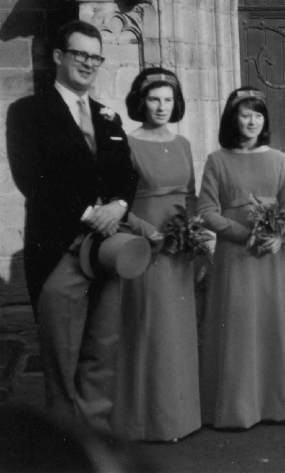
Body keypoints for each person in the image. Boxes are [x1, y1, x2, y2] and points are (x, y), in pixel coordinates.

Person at [5, 20, 138, 434]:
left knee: (102, 351)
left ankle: (95, 443)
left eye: (95, 56)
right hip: (60, 249)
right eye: (80, 54)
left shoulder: (107, 116)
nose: (88, 63)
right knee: (62, 359)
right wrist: (87, 214)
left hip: (107, 250)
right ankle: (66, 453)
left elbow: (126, 174)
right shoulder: (29, 112)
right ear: (59, 56)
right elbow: (30, 177)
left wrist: (118, 205)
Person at [197, 86, 285, 429]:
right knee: (239, 326)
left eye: (258, 114)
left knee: (269, 323)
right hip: (236, 256)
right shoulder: (218, 160)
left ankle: (275, 403)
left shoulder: (278, 159)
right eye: (245, 114)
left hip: (270, 257)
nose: (253, 121)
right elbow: (206, 211)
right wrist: (245, 234)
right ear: (233, 118)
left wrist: (281, 233)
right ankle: (238, 408)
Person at [110, 68, 201, 441]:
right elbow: (116, 203)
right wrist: (148, 233)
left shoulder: (183, 144)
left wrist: (192, 236)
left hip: (180, 248)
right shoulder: (126, 144)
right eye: (153, 99)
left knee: (179, 332)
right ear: (140, 101)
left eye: (167, 99)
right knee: (148, 328)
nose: (161, 107)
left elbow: (192, 196)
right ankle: (147, 421)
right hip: (146, 246)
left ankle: (181, 418)